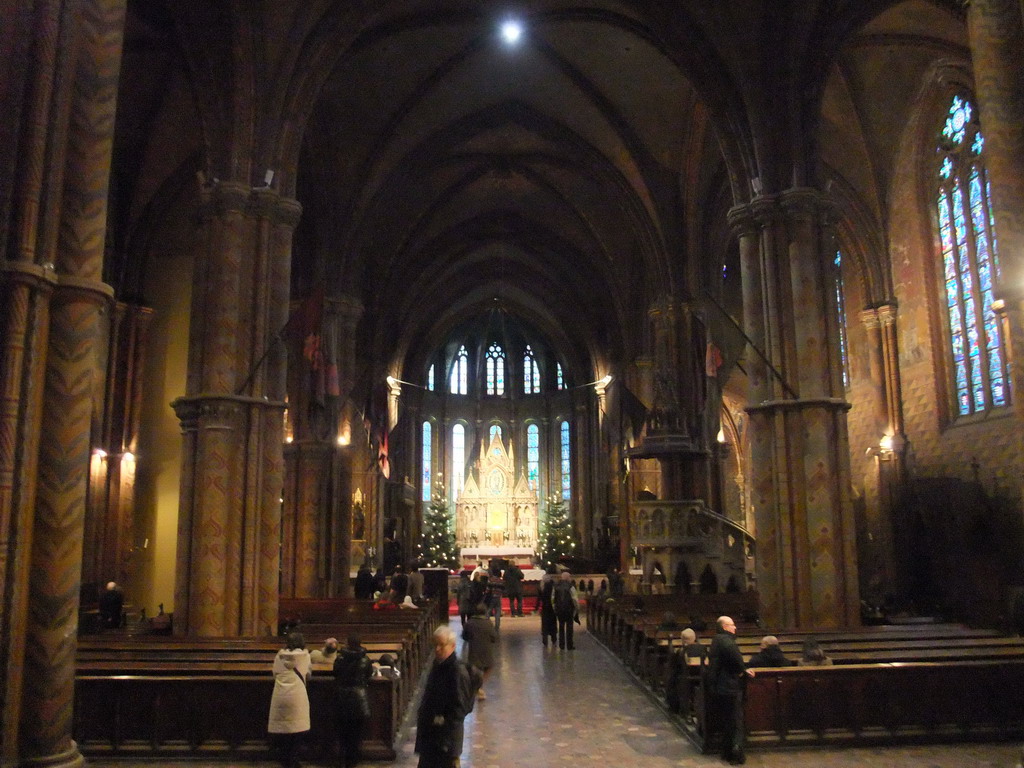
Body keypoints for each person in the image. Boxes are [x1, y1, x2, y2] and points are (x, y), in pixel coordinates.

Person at [415, 625, 477, 768]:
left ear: (453, 646)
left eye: (441, 645)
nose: (437, 649)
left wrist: (442, 724)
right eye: (435, 645)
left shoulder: (457, 671)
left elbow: (460, 708)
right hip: (432, 738)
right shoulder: (439, 665)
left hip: (445, 741)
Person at [706, 616, 751, 765]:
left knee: (727, 720)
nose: (735, 628)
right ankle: (736, 752)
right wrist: (743, 670)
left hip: (719, 686)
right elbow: (737, 662)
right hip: (730, 686)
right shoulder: (727, 642)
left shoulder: (716, 640)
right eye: (732, 625)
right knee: (736, 721)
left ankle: (726, 752)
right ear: (725, 627)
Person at [268, 632, 311, 768]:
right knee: (297, 729)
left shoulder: (279, 656)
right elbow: (308, 674)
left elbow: (275, 673)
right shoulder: (305, 656)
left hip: (281, 694)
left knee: (284, 729)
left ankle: (284, 758)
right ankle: (294, 759)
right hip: (297, 695)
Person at [333, 635, 372, 768]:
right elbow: (368, 675)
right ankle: (353, 760)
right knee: (356, 732)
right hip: (359, 699)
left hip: (342, 698)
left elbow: (336, 673)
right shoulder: (365, 660)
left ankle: (342, 758)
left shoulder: (340, 659)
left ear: (348, 644)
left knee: (343, 731)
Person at [463, 604, 498, 699]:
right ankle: (479, 686)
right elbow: (494, 637)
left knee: (475, 669)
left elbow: (464, 636)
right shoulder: (488, 623)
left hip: (474, 650)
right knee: (488, 667)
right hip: (486, 650)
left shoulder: (469, 623)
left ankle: (478, 687)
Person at [552, 571, 578, 650]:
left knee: (561, 626)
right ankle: (569, 645)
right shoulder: (571, 586)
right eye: (569, 577)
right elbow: (574, 599)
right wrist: (576, 608)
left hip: (559, 609)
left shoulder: (556, 586)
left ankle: (561, 645)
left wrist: (554, 608)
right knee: (569, 627)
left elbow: (552, 598)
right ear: (567, 578)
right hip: (569, 609)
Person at [538, 569, 558, 647]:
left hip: (545, 607)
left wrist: (536, 607)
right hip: (552, 607)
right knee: (553, 623)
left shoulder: (541, 587)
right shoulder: (553, 586)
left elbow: (539, 598)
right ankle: (554, 638)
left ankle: (545, 640)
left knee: (545, 624)